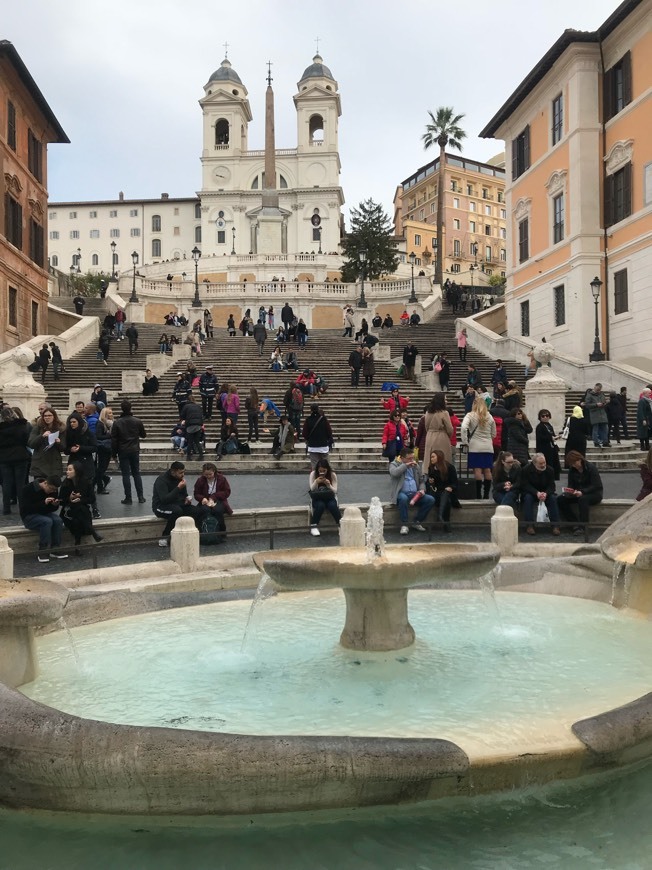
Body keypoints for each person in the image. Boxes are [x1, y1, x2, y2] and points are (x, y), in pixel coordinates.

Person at [152, 461, 207, 546]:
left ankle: (192, 535)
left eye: (184, 472)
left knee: (197, 510)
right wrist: (178, 488)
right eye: (180, 472)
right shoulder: (161, 480)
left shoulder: (180, 480)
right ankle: (165, 537)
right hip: (160, 507)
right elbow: (164, 499)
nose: (183, 474)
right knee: (177, 511)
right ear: (173, 472)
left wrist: (186, 500)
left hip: (176, 504)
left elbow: (183, 495)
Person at [20, 475, 68, 563]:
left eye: (54, 490)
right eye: (51, 489)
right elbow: (26, 509)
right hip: (28, 516)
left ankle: (55, 548)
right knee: (46, 522)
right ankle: (43, 550)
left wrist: (54, 505)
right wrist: (43, 503)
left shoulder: (53, 490)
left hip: (44, 514)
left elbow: (51, 509)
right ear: (45, 483)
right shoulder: (28, 489)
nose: (53, 491)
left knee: (58, 520)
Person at [389, 447, 435, 535]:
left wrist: (422, 489)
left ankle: (417, 521)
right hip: (401, 493)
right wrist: (405, 466)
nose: (412, 460)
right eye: (409, 458)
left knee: (430, 499)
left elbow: (421, 480)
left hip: (415, 494)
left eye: (412, 458)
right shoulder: (394, 464)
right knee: (403, 498)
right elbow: (394, 473)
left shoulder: (416, 466)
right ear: (402, 458)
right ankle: (404, 524)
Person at [59, 461, 103, 551]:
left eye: (70, 470)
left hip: (81, 511)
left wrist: (80, 499)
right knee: (78, 510)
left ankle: (77, 544)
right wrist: (70, 499)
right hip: (68, 512)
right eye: (67, 470)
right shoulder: (65, 483)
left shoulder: (86, 482)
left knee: (78, 518)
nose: (67, 472)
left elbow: (92, 499)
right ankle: (93, 532)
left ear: (77, 471)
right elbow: (61, 501)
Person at [557, 450, 604, 534]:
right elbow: (571, 484)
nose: (574, 466)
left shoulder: (591, 468)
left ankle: (583, 526)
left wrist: (583, 491)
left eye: (575, 463)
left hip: (594, 494)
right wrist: (570, 491)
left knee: (583, 499)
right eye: (572, 464)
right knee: (561, 499)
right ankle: (574, 524)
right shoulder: (572, 470)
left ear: (579, 459)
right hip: (578, 492)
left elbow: (597, 485)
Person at [111, 399, 146, 505]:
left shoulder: (117, 422)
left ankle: (128, 497)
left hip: (123, 450)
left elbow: (114, 440)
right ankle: (140, 496)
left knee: (125, 474)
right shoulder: (137, 421)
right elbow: (143, 435)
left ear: (121, 408)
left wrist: (114, 453)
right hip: (134, 449)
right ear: (130, 408)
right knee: (136, 473)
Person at [461, 397, 497, 500]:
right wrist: (489, 438)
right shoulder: (489, 417)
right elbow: (494, 433)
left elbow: (464, 427)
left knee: (477, 469)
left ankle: (478, 494)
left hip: (475, 446)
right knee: (487, 470)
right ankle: (486, 494)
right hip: (488, 446)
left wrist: (465, 441)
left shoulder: (470, 415)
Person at [0, 406, 31, 515]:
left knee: (6, 483)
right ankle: (22, 507)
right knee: (20, 483)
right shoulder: (21, 426)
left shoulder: (1, 428)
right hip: (20, 456)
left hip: (4, 457)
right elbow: (26, 440)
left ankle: (6, 508)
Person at [520, 452, 561, 535]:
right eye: (540, 463)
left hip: (545, 492)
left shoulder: (550, 470)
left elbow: (552, 486)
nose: (543, 465)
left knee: (553, 499)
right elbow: (525, 485)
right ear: (534, 463)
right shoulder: (526, 469)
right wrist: (536, 493)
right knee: (528, 499)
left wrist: (545, 493)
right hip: (531, 492)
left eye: (544, 463)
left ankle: (555, 525)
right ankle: (530, 525)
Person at [194, 462, 232, 538]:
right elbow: (196, 493)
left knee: (217, 511)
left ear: (214, 472)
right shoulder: (200, 480)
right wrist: (202, 498)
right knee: (204, 511)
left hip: (219, 500)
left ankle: (221, 533)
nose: (208, 476)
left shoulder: (222, 479)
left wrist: (213, 497)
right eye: (206, 475)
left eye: (210, 474)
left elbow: (227, 492)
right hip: (205, 501)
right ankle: (203, 532)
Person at [425, 449, 459, 532]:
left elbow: (455, 483)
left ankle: (443, 519)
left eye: (433, 457)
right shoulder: (431, 468)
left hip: (447, 492)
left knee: (446, 497)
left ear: (439, 457)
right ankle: (442, 519)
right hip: (436, 491)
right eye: (431, 457)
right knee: (440, 496)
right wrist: (430, 482)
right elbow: (428, 483)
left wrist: (450, 487)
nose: (431, 459)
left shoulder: (449, 467)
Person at [29, 407, 64, 482]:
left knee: (53, 490)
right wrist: (42, 436)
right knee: (39, 490)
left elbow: (63, 447)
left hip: (54, 464)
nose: (47, 417)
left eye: (49, 415)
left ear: (54, 416)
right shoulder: (37, 428)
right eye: (45, 416)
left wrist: (58, 442)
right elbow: (31, 444)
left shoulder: (60, 429)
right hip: (39, 464)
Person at [308, 458, 342, 536]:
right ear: (317, 469)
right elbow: (311, 489)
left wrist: (329, 485)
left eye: (324, 471)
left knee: (332, 505)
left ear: (328, 469)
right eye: (320, 471)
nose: (322, 473)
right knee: (320, 505)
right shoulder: (313, 474)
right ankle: (314, 525)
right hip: (317, 497)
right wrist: (316, 482)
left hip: (329, 496)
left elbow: (335, 491)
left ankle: (340, 525)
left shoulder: (332, 474)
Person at [421, 393, 454, 466]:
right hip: (441, 437)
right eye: (445, 399)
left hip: (430, 435)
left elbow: (426, 426)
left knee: (429, 457)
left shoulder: (428, 412)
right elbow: (449, 429)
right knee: (442, 458)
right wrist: (448, 436)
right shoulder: (444, 413)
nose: (446, 401)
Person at [303, 403, 334, 468]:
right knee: (326, 465)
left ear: (310, 410)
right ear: (318, 409)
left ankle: (315, 477)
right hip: (323, 445)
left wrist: (309, 438)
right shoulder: (324, 419)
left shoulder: (308, 420)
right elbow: (329, 431)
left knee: (315, 466)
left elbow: (304, 433)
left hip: (313, 446)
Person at [535, 409, 561, 479]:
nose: (545, 417)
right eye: (543, 416)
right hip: (544, 448)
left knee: (554, 463)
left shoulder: (549, 425)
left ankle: (554, 476)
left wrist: (556, 437)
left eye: (547, 415)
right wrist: (550, 438)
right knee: (547, 463)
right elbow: (540, 438)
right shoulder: (539, 426)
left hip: (552, 447)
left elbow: (552, 435)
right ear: (540, 417)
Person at [94, 407, 114, 494]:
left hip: (108, 448)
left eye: (111, 412)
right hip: (102, 448)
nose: (111, 414)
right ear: (105, 414)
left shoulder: (111, 424)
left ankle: (93, 485)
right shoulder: (100, 424)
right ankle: (100, 487)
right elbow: (98, 436)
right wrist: (109, 436)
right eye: (109, 413)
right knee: (101, 468)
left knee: (103, 468)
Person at [585, 383, 609, 448]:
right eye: (597, 389)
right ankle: (596, 442)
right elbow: (587, 405)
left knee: (605, 428)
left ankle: (605, 441)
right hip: (594, 414)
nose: (598, 391)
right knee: (595, 429)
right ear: (595, 387)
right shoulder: (589, 395)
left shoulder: (601, 394)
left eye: (599, 390)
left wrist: (605, 403)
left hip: (602, 413)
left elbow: (603, 401)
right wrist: (596, 404)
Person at [181, 395, 204, 461]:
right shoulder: (198, 406)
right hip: (198, 425)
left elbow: (182, 415)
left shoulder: (186, 406)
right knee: (197, 441)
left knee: (190, 442)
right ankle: (201, 456)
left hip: (190, 424)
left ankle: (188, 457)